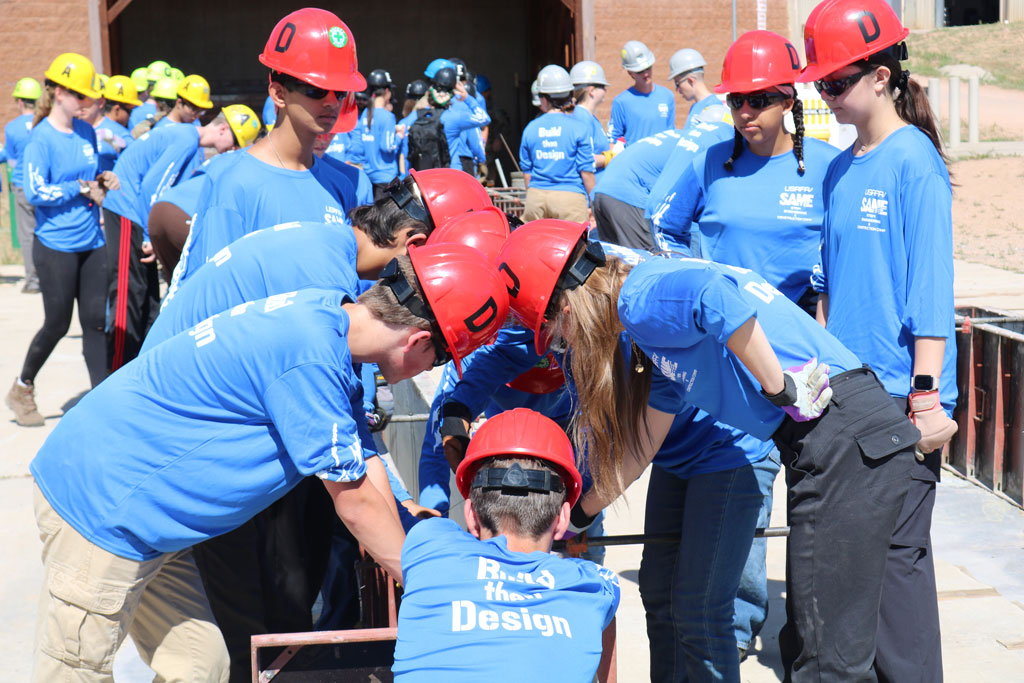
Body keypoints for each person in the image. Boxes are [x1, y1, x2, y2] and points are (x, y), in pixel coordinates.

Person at [30, 245, 510, 683]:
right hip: (105, 505)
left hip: (153, 519)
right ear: (419, 342)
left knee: (200, 667)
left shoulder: (329, 316)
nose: (428, 372)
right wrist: (433, 585)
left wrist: (407, 518)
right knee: (75, 670)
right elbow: (357, 503)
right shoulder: (311, 358)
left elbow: (360, 455)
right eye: (437, 361)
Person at [497, 221, 923, 683]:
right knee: (808, 644)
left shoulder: (638, 298)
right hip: (826, 438)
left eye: (558, 335)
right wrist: (578, 516)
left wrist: (778, 386)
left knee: (828, 661)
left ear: (567, 306)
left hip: (842, 431)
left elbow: (712, 295)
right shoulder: (650, 334)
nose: (567, 346)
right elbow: (643, 444)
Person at [800, 1, 957, 679]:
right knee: (854, 567)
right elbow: (832, 290)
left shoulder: (911, 162)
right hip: (850, 395)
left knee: (897, 565)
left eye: (835, 82)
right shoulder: (839, 169)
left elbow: (930, 291)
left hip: (901, 399)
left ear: (882, 75)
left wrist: (925, 397)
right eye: (819, 85)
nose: (824, 96)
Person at [392, 408, 620, 682]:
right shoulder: (594, 588)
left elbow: (369, 494)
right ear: (562, 520)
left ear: (470, 516)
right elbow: (607, 619)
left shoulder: (429, 546)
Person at [170, 8, 365, 288]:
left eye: (341, 91)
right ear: (278, 93)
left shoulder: (341, 184)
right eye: (317, 89)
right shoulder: (232, 182)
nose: (332, 102)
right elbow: (210, 295)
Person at [655, 31, 840, 313]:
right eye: (736, 100)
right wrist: (693, 278)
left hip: (803, 325)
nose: (744, 112)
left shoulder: (829, 165)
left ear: (787, 103)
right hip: (725, 323)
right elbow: (665, 227)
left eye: (758, 100)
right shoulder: (709, 163)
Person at [5, 53, 119, 427]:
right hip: (56, 244)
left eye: (88, 97)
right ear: (57, 92)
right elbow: (35, 192)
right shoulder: (41, 138)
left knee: (95, 322)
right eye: (79, 96)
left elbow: (92, 172)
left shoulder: (86, 132)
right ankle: (22, 387)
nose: (86, 103)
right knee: (56, 323)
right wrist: (80, 187)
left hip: (91, 240)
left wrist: (104, 180)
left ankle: (101, 401)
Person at [101, 105, 250, 370]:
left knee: (147, 297)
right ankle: (115, 372)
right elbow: (153, 187)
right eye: (235, 142)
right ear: (223, 128)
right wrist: (149, 234)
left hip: (136, 212)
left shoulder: (188, 141)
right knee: (129, 295)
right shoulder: (185, 138)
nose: (233, 149)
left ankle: (139, 368)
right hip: (126, 210)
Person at [519, 65, 594, 222]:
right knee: (574, 246)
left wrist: (532, 197)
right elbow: (586, 171)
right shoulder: (579, 128)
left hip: (536, 198)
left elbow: (527, 173)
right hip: (570, 199)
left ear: (544, 99)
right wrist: (594, 202)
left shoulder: (531, 128)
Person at [590, 128, 682, 249]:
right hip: (626, 196)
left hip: (600, 192)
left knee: (611, 260)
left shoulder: (676, 137)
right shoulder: (694, 147)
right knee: (644, 258)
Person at [3, 76, 43, 293]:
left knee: (27, 235)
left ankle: (33, 281)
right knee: (45, 231)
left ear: (19, 101)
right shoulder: (44, 123)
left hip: (21, 184)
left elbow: (10, 159)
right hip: (42, 183)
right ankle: (50, 277)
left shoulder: (12, 127)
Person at [610, 40, 675, 145]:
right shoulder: (621, 102)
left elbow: (671, 134)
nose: (646, 74)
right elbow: (614, 140)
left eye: (648, 68)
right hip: (633, 161)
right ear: (630, 73)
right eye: (640, 71)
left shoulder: (667, 96)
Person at [668, 48, 732, 129]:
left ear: (690, 80)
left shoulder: (713, 107)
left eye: (677, 84)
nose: (677, 90)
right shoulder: (695, 106)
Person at [360, 69, 401, 194]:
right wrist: (399, 136)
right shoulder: (388, 116)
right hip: (385, 176)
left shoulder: (364, 114)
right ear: (387, 92)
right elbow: (387, 146)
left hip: (368, 175)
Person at [569, 60, 612, 173]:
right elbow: (584, 160)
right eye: (602, 86)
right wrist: (609, 158)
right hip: (590, 187)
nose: (605, 90)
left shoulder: (589, 116)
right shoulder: (582, 117)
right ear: (591, 90)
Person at [94, 75, 142, 173]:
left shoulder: (86, 127)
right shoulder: (122, 134)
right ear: (117, 109)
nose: (130, 116)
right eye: (129, 111)